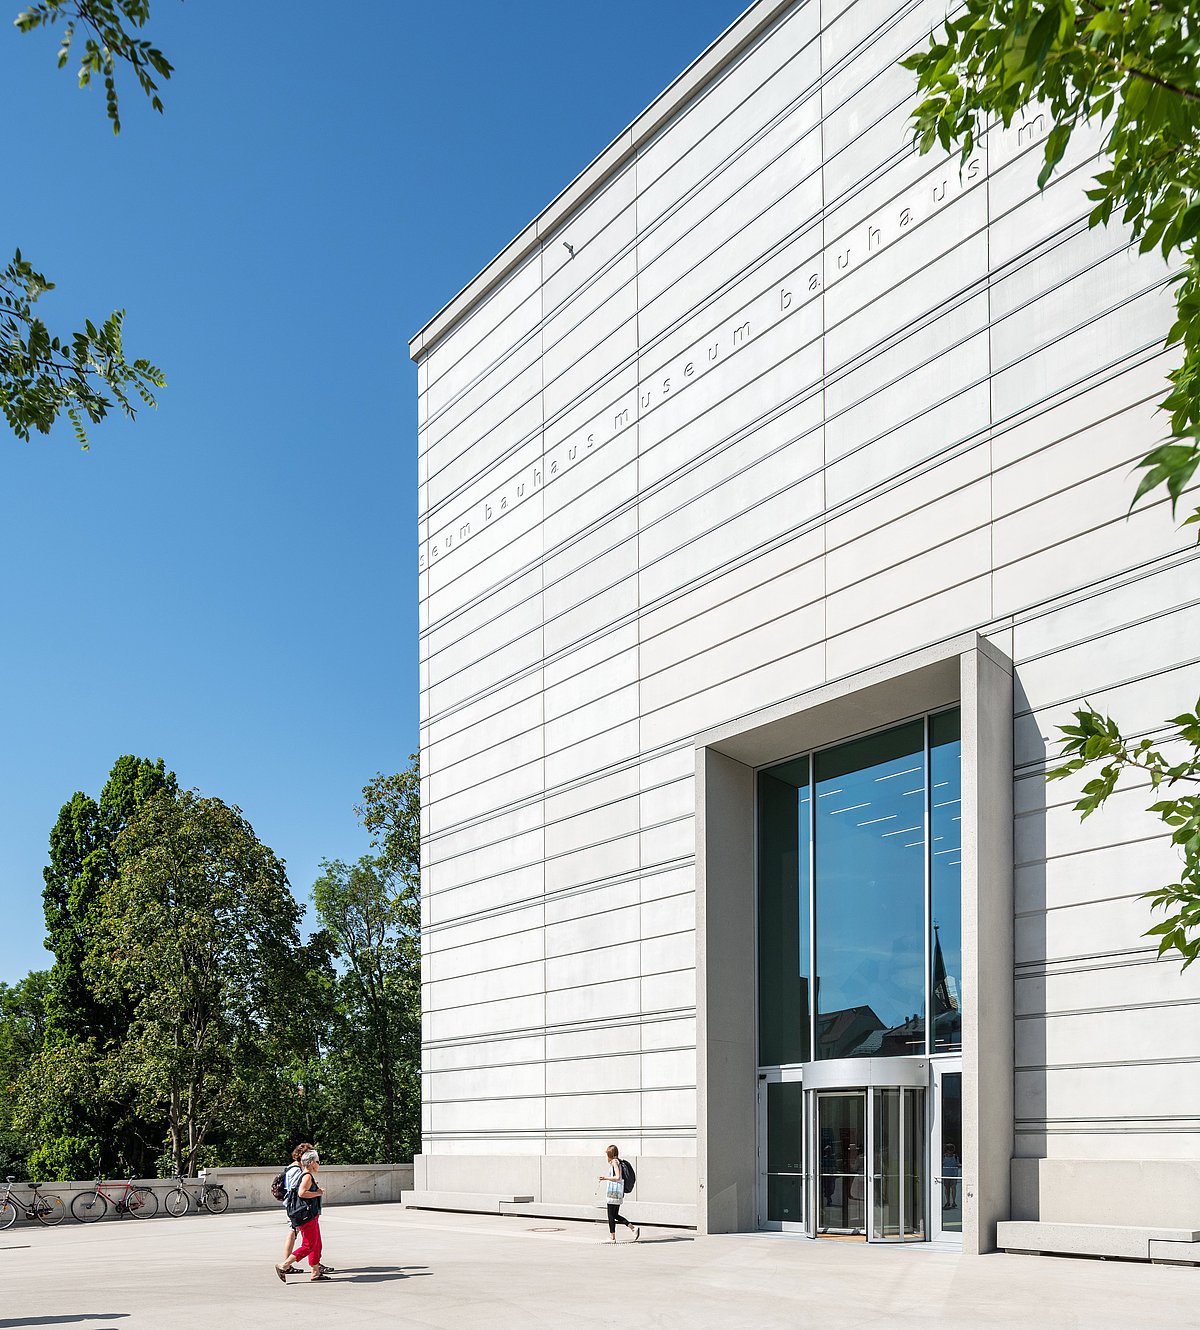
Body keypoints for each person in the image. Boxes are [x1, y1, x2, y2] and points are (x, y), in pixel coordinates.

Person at [276, 1149, 331, 1282]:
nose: (319, 1164)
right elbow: (302, 1193)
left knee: (316, 1244)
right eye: (318, 1162)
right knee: (308, 1245)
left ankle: (315, 1271)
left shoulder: (306, 1175)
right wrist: (317, 1193)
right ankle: (284, 1265)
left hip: (310, 1215)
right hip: (307, 1216)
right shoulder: (306, 1176)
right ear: (312, 1163)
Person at [279, 1141, 314, 1275]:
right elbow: (296, 1189)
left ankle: (288, 1263)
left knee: (294, 1231)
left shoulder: (291, 1168)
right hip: (296, 1206)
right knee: (293, 1232)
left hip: (292, 1205)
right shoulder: (296, 1170)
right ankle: (286, 1264)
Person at [597, 1145, 639, 1244]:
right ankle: (633, 1228)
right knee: (614, 1214)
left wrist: (605, 1178)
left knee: (611, 1215)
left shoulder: (614, 1162)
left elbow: (617, 1177)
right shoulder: (618, 1161)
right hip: (618, 1192)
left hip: (614, 1192)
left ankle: (612, 1238)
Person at [942, 1143, 961, 1209]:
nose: (950, 1151)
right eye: (949, 1150)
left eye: (952, 1150)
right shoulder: (943, 1157)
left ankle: (953, 1201)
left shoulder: (955, 1157)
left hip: (953, 1175)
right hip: (946, 1175)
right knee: (947, 1188)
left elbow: (958, 1164)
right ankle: (948, 1201)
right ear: (946, 1150)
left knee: (953, 1187)